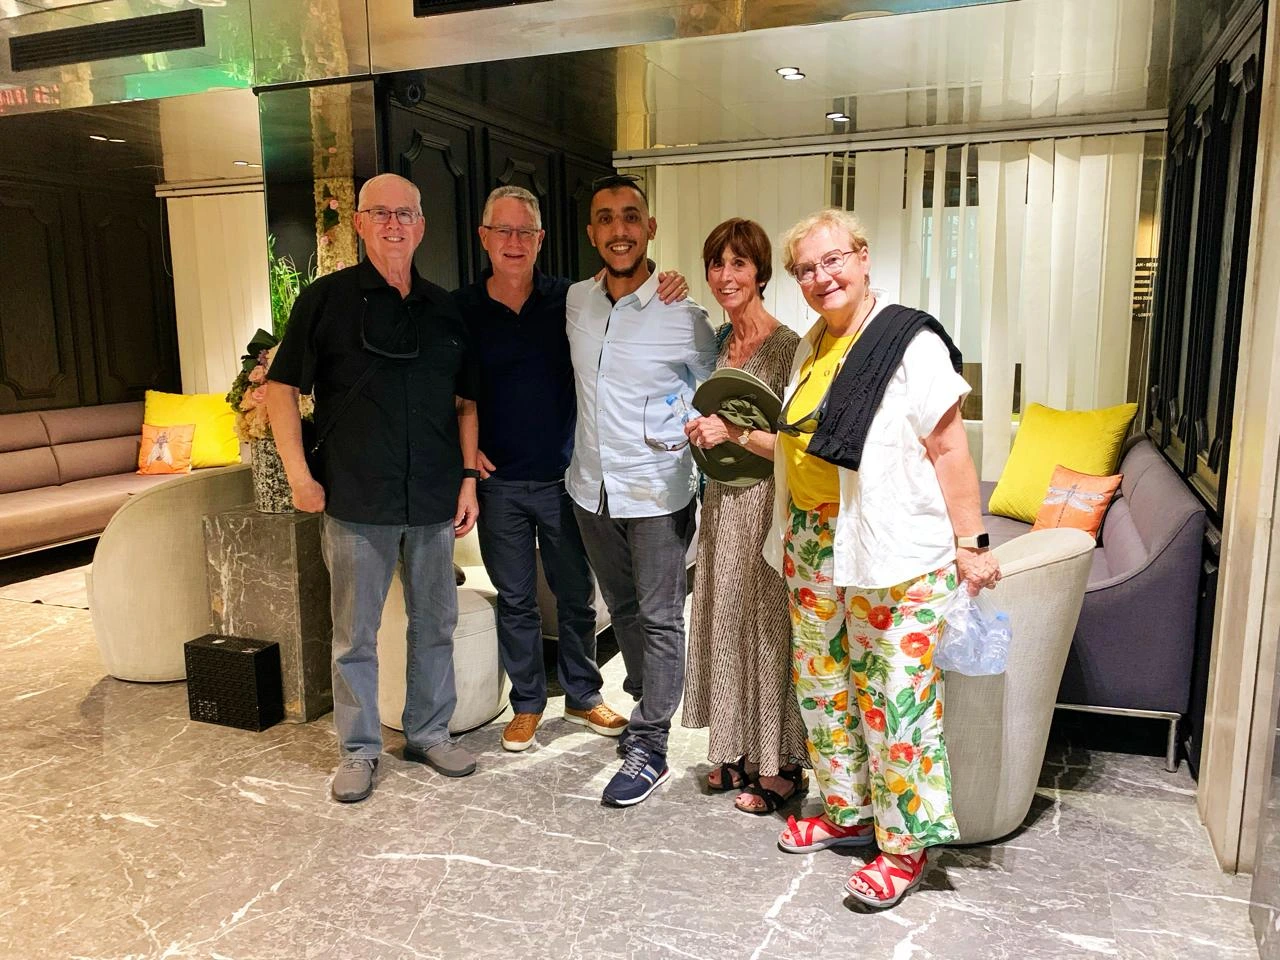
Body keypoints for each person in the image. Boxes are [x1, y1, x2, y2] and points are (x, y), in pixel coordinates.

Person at [764, 209, 1000, 907]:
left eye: (832, 259)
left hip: (891, 547)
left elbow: (949, 448)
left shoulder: (908, 340)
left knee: (896, 698)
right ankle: (847, 812)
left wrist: (971, 543)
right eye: (806, 269)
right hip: (811, 541)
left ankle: (904, 847)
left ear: (863, 257)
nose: (821, 277)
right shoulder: (812, 345)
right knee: (823, 689)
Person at [267, 172, 481, 804]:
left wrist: (468, 479)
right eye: (380, 213)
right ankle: (358, 749)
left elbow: (466, 402)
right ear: (359, 224)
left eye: (405, 213)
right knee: (354, 638)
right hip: (356, 499)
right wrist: (298, 476)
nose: (393, 224)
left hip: (433, 497)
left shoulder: (445, 308)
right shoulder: (325, 301)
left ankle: (428, 732)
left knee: (435, 625)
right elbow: (280, 389)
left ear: (422, 225)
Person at [454, 185, 687, 753]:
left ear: (541, 239)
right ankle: (528, 703)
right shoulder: (462, 308)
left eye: (525, 232)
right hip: (499, 482)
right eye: (503, 230)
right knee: (516, 599)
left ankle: (583, 694)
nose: (514, 242)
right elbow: (456, 395)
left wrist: (667, 283)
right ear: (484, 237)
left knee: (576, 597)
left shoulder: (570, 299)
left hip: (567, 478)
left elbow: (626, 296)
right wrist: (464, 462)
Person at [565, 174, 717, 806]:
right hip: (591, 488)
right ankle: (644, 702)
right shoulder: (576, 301)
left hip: (657, 491)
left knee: (659, 618)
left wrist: (690, 430)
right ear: (592, 232)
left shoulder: (684, 315)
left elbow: (716, 387)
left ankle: (650, 744)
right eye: (605, 218)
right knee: (623, 608)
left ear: (650, 227)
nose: (619, 230)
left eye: (631, 216)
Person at [679, 218, 808, 815]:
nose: (725, 276)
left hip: (767, 506)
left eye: (738, 263)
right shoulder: (721, 342)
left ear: (760, 272)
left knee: (768, 628)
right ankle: (735, 750)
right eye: (717, 264)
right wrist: (703, 433)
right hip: (721, 501)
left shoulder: (790, 347)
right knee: (725, 621)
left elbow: (798, 445)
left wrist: (731, 431)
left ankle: (782, 765)